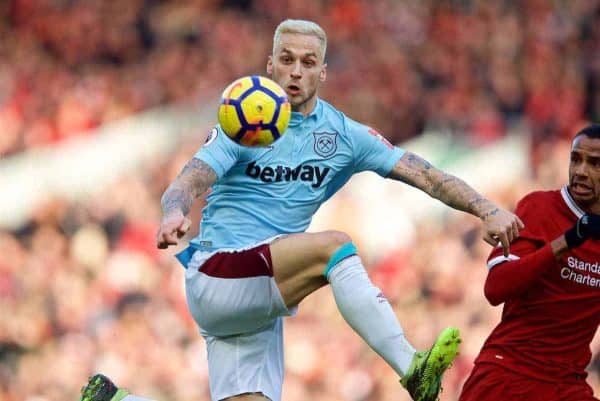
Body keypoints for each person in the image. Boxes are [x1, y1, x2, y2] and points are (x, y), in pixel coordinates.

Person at [80, 19, 522, 401]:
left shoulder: (345, 135)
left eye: (307, 63)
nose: (295, 71)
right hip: (218, 274)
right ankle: (413, 369)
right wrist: (173, 212)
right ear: (269, 66)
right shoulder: (243, 121)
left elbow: (424, 174)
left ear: (323, 73)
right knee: (336, 248)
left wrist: (485, 209)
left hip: (261, 298)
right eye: (286, 60)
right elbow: (189, 180)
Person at [458, 124, 600, 401]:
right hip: (508, 373)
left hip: (565, 384)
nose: (581, 171)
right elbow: (495, 288)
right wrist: (568, 240)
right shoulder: (538, 208)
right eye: (576, 159)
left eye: (595, 163)